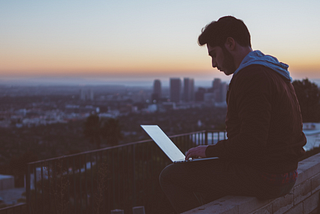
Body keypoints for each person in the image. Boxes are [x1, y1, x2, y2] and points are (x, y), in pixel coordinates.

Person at [159, 16, 306, 214]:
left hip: (267, 177)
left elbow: (251, 142)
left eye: (214, 54)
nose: (213, 64)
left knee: (170, 175)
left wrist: (209, 151)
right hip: (285, 172)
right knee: (209, 180)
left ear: (230, 43)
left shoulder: (251, 76)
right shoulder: (273, 71)